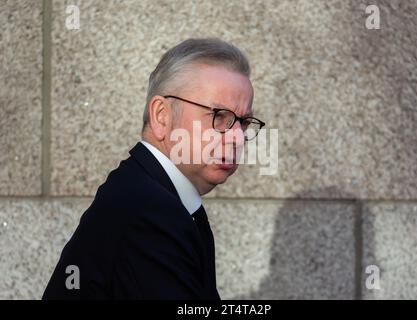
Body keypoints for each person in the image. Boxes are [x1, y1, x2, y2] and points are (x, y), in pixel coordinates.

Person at [42, 38, 265, 299]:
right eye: (220, 117)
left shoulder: (147, 195)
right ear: (162, 116)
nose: (238, 138)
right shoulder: (148, 212)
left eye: (244, 122)